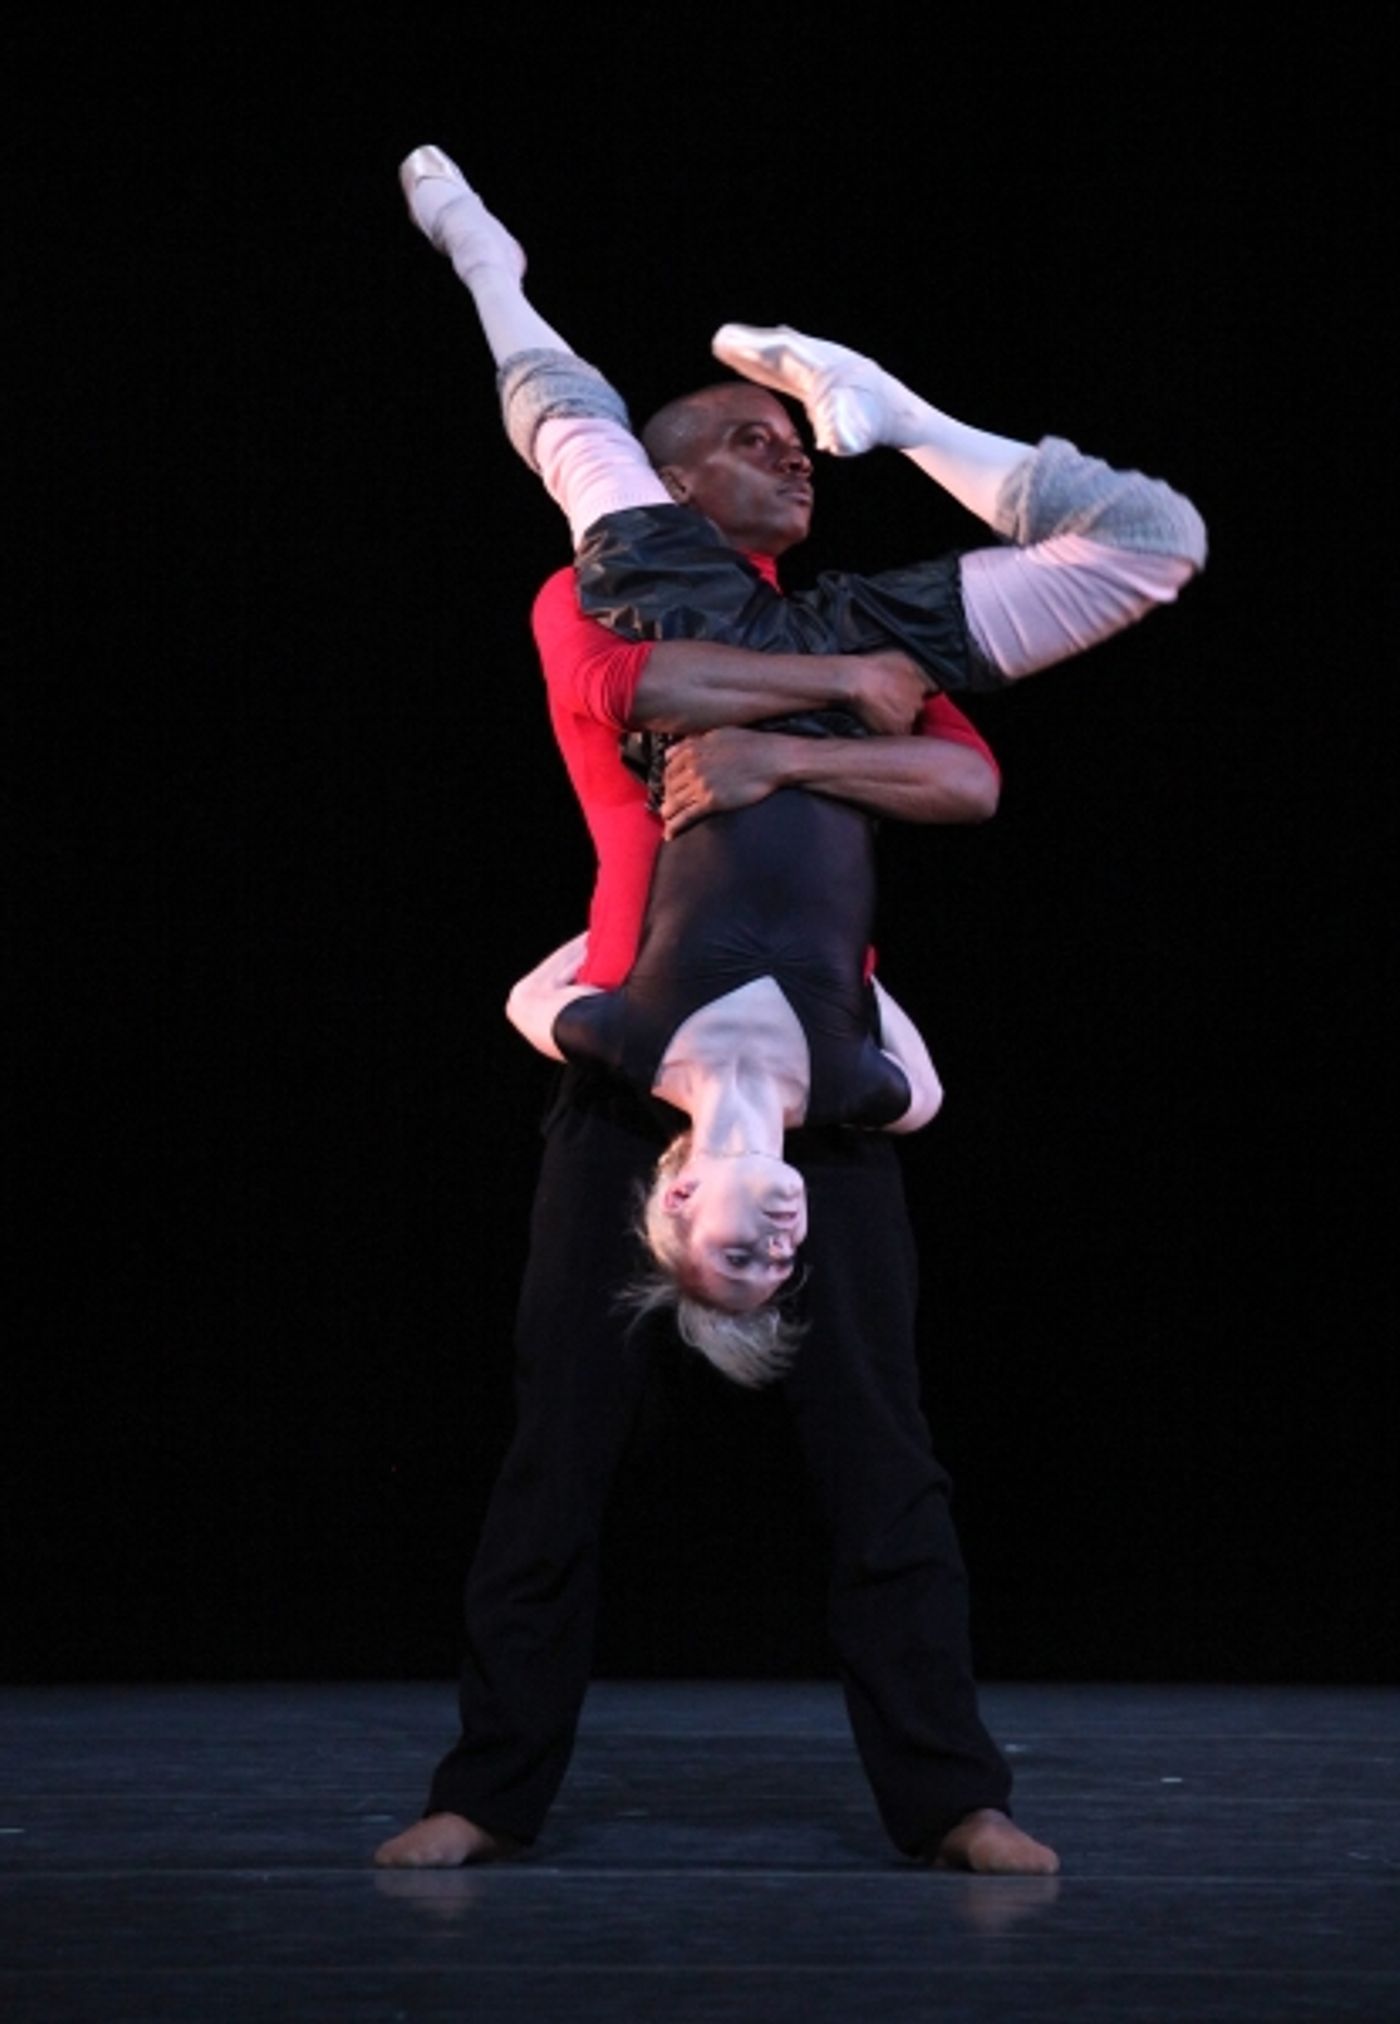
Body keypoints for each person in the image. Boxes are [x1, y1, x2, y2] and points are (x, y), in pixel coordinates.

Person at [372, 146, 1207, 1876]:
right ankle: (485, 1788)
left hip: (799, 1042)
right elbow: (650, 691)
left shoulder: (862, 604)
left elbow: (965, 791)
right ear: (686, 477)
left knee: (884, 1451)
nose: (777, 454)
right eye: (749, 437)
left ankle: (950, 1793)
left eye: (786, 436)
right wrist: (824, 710)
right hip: (646, 1101)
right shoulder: (614, 566)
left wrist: (821, 691)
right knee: (559, 1447)